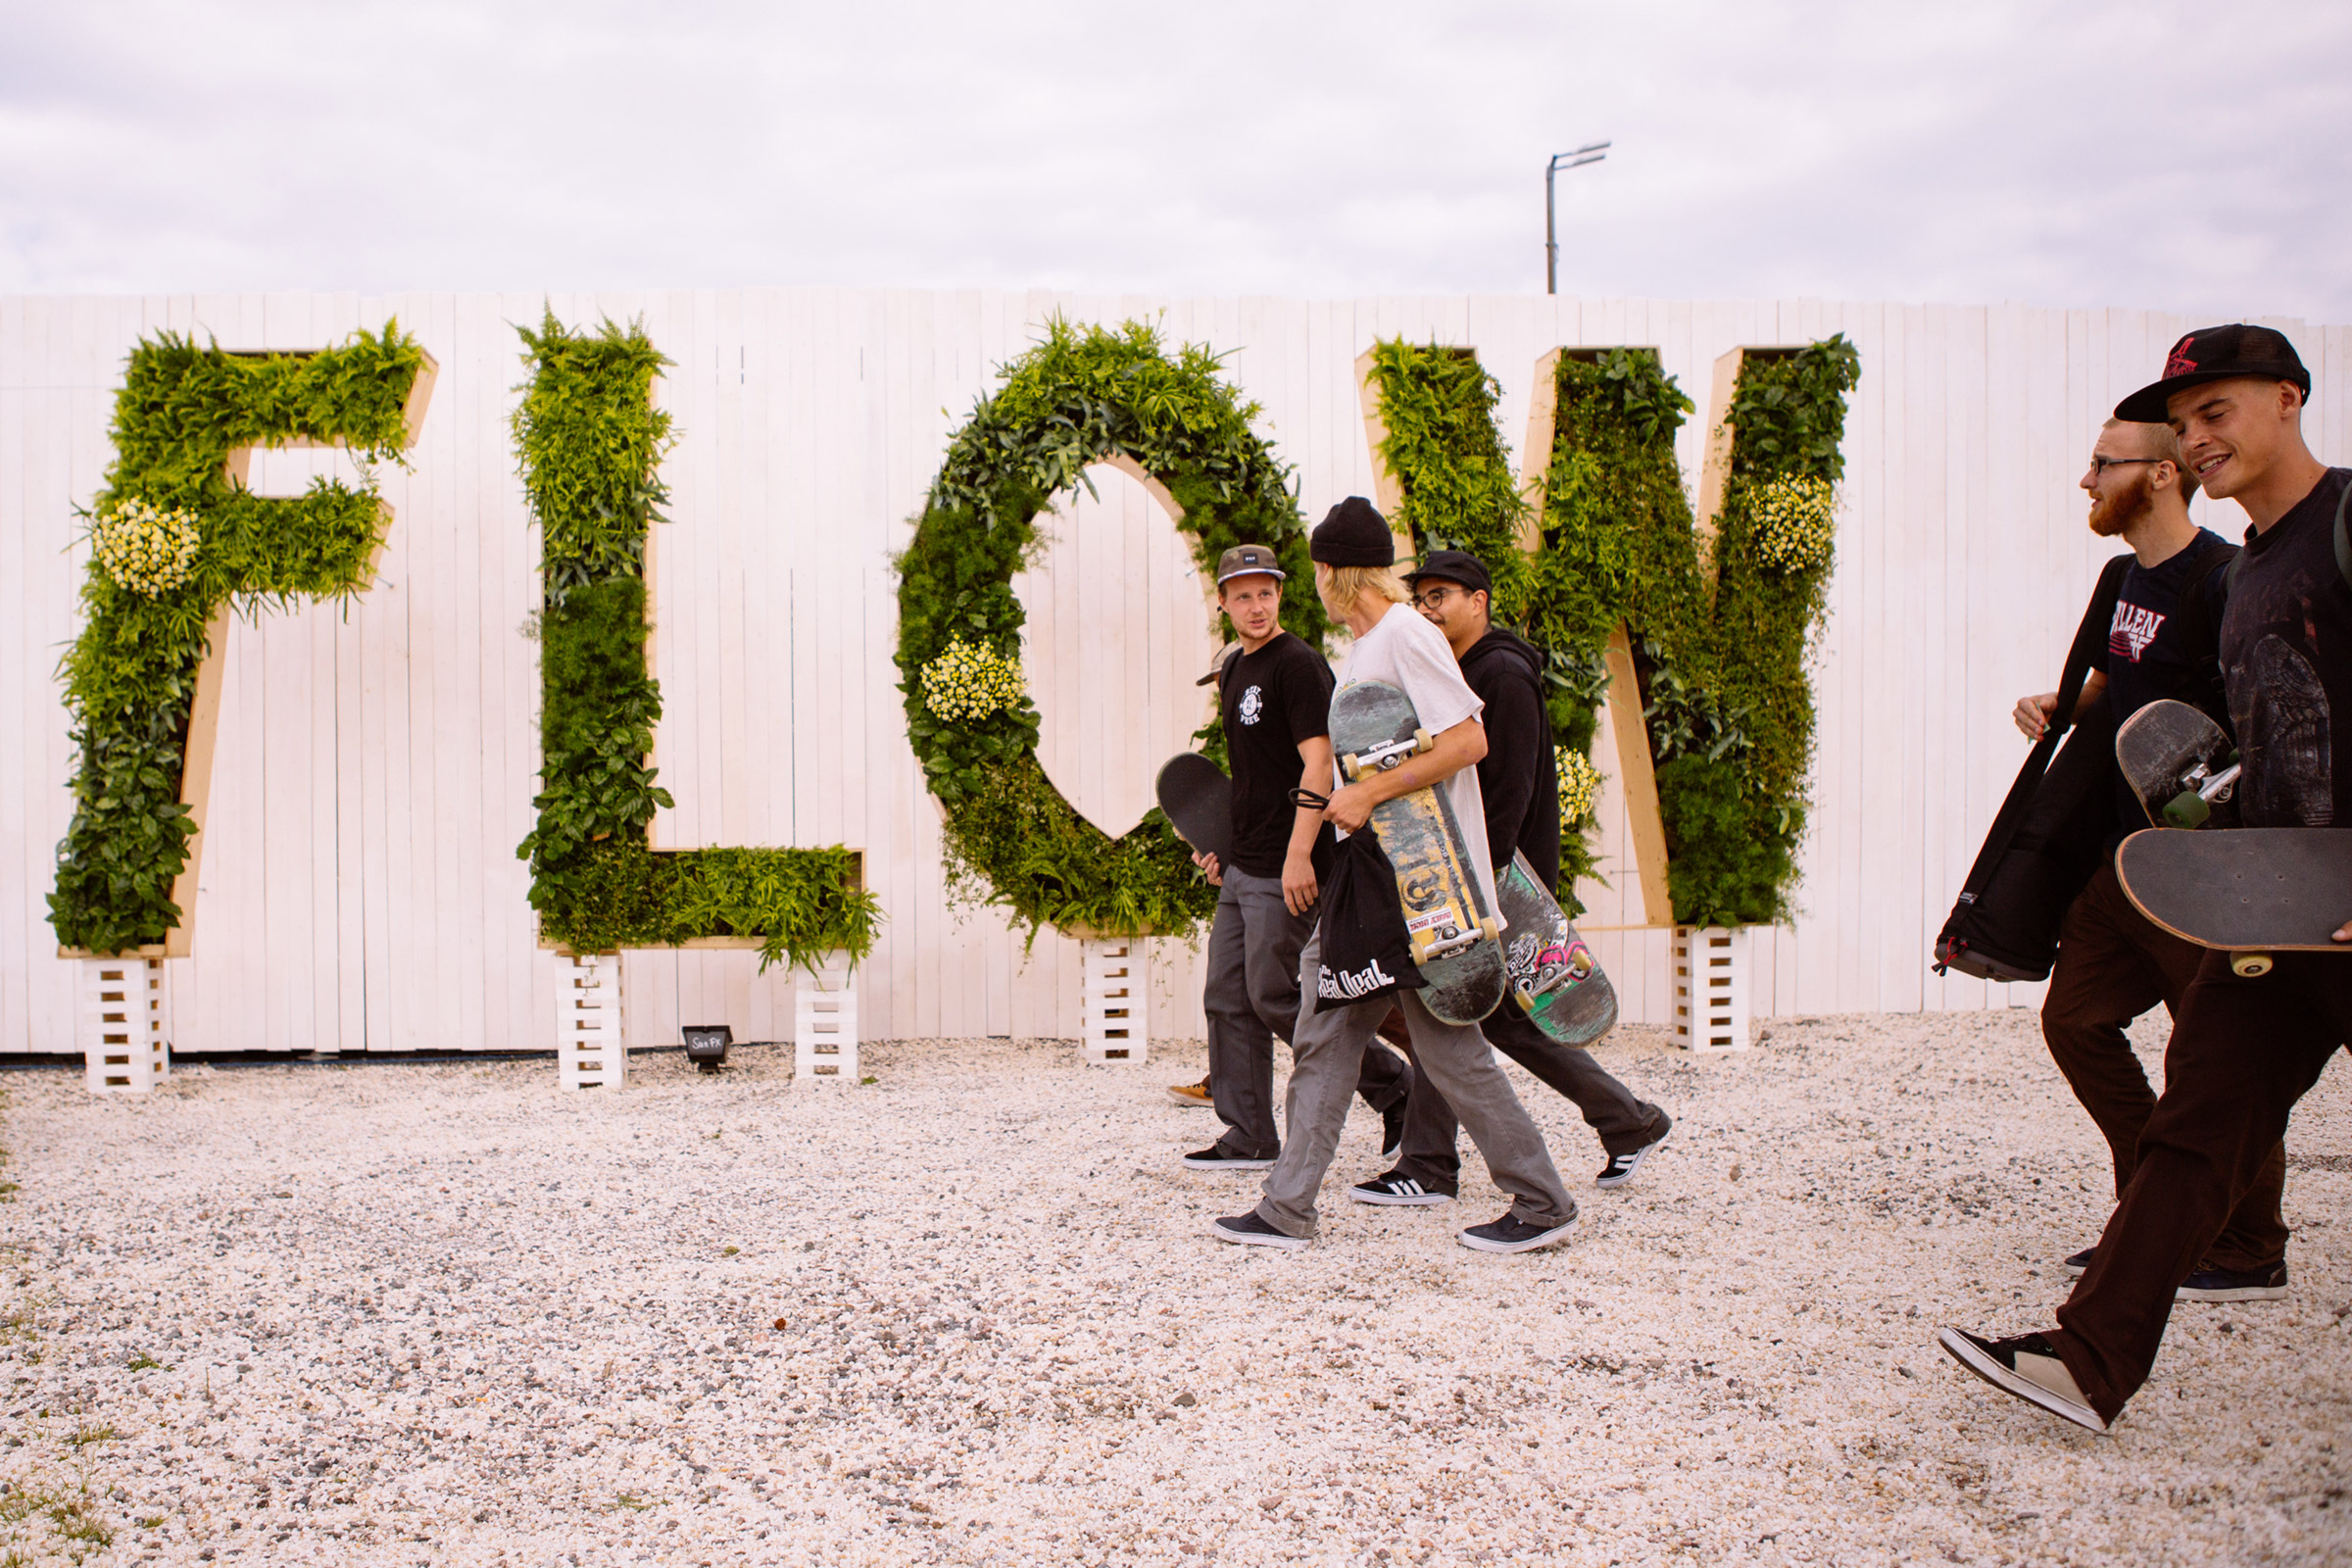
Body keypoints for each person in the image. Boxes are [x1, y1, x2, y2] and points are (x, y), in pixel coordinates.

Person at [1940, 324, 2352, 1434]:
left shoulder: (2345, 525)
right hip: (2275, 903)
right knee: (2194, 1129)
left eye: (2216, 413)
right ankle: (2088, 1360)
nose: (2199, 439)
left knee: (2195, 1118)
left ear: (2286, 397)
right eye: (2184, 425)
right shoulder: (2256, 563)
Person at [1209, 499, 1582, 1254]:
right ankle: (1287, 1208)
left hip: (1424, 881)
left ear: (1327, 574)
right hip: (1373, 876)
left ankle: (1542, 1200)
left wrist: (1367, 792)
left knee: (1449, 1050)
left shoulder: (1407, 635)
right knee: (1325, 1026)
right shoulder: (1372, 643)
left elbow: (1468, 740)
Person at [2010, 418, 2291, 1300]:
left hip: (2196, 865)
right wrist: (2069, 700)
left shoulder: (2221, 581)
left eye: (2103, 463)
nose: (2085, 478)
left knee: (2214, 1058)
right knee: (2075, 1023)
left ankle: (2249, 1245)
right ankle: (2155, 1220)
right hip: (2118, 856)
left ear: (2162, 475)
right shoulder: (2119, 578)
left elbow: (2255, 713)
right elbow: (2119, 686)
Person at [1351, 549, 1673, 1206]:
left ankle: (1433, 1164)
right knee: (1475, 1016)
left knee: (1466, 1012)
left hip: (1495, 873)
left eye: (1442, 595)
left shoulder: (1502, 671)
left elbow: (1511, 786)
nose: (1428, 608)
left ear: (1481, 600)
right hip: (1479, 871)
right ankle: (1626, 1122)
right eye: (1422, 598)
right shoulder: (1459, 668)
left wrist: (1474, 874)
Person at [1180, 544, 1412, 1174]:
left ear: (1280, 595)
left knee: (1276, 992)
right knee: (1227, 995)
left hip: (1289, 859)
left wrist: (1301, 853)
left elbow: (1319, 762)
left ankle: (1396, 1089)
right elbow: (1250, 772)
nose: (1256, 606)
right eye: (1242, 595)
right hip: (1243, 862)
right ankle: (1249, 1134)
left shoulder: (1299, 666)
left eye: (1266, 592)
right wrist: (1222, 849)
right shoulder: (1233, 671)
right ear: (1223, 602)